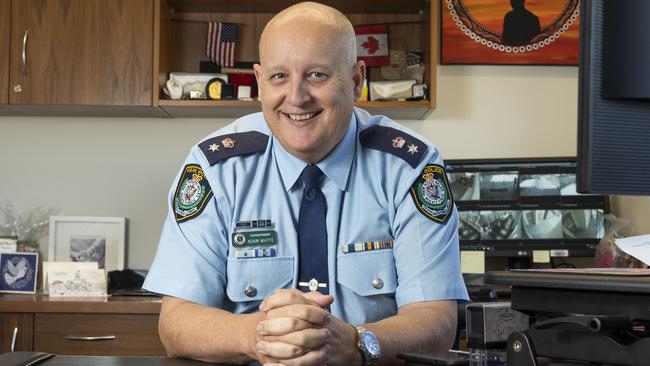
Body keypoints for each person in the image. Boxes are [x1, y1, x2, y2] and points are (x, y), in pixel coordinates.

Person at [143, 2, 469, 365]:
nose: (296, 97)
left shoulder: (409, 167)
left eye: (317, 75)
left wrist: (357, 343)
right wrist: (259, 337)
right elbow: (175, 323)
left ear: (357, 79)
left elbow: (437, 322)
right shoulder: (215, 168)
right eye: (279, 76)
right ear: (259, 81)